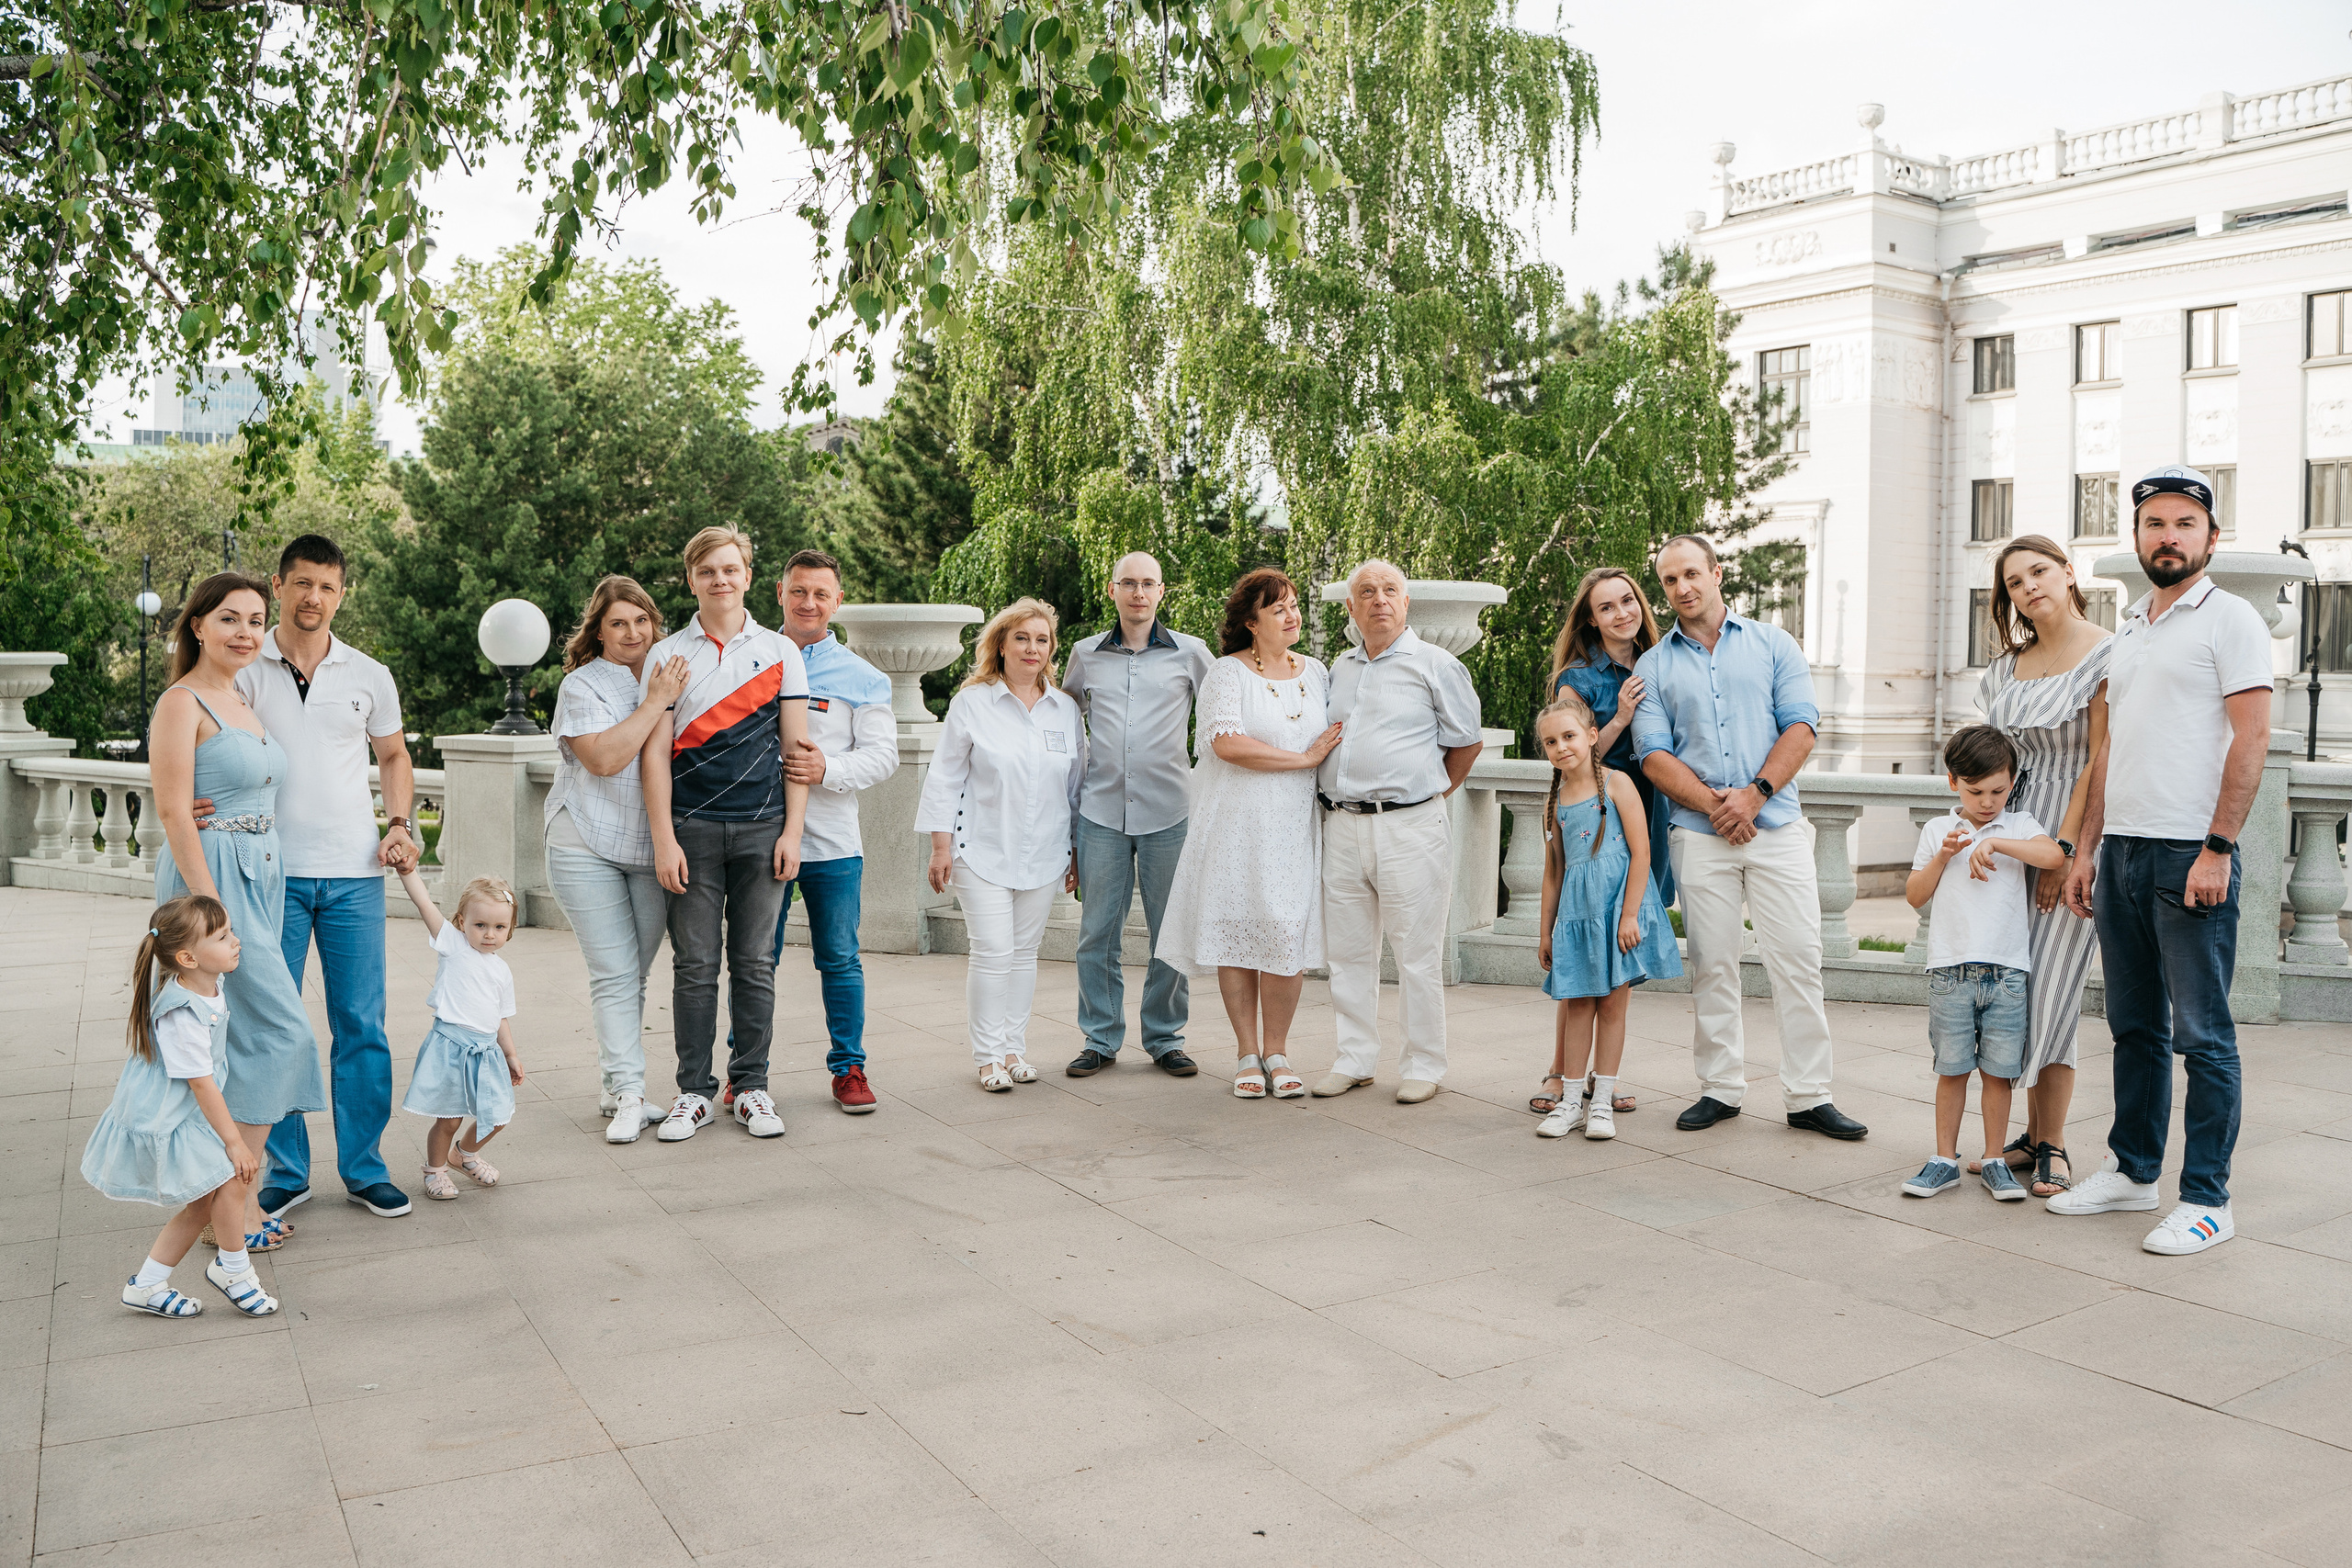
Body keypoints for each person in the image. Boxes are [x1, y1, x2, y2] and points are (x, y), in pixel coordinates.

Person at [2053, 465, 2271, 1256]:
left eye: (2185, 523)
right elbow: (2112, 746)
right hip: (2124, 853)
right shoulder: (2134, 627)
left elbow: (2251, 738)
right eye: (2155, 523)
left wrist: (2217, 847)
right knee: (2134, 1024)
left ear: (2211, 538)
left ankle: (2208, 1198)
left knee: (2204, 1036)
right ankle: (2134, 1170)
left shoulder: (2232, 620)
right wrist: (2087, 846)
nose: (2168, 535)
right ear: (2137, 536)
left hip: (2191, 850)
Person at [1632, 535, 1867, 1141]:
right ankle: (1720, 1087)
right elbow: (1654, 755)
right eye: (1668, 580)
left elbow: (1802, 726)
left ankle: (1810, 1095)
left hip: (1778, 828)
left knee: (1798, 961)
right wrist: (1719, 806)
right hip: (1699, 832)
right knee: (1712, 964)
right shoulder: (1654, 664)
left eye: (1691, 574)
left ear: (1715, 573)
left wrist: (1753, 795)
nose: (1681, 587)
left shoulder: (1773, 644)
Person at [230, 536, 418, 1223]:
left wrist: (398, 821)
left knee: (360, 1024)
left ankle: (364, 1167)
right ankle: (285, 1168)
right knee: (272, 1024)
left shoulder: (369, 673)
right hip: (266, 874)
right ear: (278, 585)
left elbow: (394, 755)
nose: (314, 597)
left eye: (327, 586)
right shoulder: (244, 669)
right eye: (301, 583)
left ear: (342, 594)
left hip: (354, 873)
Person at [148, 573, 327, 1249]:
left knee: (245, 1034)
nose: (246, 631)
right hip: (213, 881)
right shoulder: (180, 701)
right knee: (283, 1032)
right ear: (198, 625)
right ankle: (238, 1203)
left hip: (259, 873)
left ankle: (232, 1202)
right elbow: (172, 809)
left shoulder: (242, 697)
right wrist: (209, 910)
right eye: (229, 618)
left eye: (256, 619)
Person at [641, 527, 811, 1144]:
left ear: (747, 574)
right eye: (708, 570)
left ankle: (752, 1085)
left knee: (755, 964)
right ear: (691, 578)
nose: (720, 579)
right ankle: (693, 1092)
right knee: (695, 965)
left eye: (730, 568)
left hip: (764, 829)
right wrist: (664, 839)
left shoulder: (779, 650)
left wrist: (793, 830)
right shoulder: (667, 655)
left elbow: (795, 749)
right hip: (692, 831)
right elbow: (654, 756)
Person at [1156, 568, 1340, 1100]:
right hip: (1236, 823)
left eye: (1294, 604)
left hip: (1292, 826)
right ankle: (1246, 1052)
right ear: (1251, 622)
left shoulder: (1319, 672)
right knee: (1239, 935)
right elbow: (1226, 744)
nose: (1292, 615)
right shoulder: (1226, 674)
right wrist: (1303, 757)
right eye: (1278, 608)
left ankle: (1278, 1050)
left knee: (1286, 934)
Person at [1312, 560, 1484, 1104]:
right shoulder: (1336, 669)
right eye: (1366, 592)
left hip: (1409, 826)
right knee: (1348, 952)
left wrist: (1425, 797)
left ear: (1405, 603)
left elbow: (1466, 743)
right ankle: (1354, 1058)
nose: (1379, 600)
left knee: (1416, 952)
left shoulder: (1436, 664)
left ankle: (1423, 1065)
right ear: (1351, 608)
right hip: (1341, 824)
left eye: (1390, 591)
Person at [1972, 536, 2111, 1195]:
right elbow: (1990, 761)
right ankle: (2026, 1136)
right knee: (2013, 986)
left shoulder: (2108, 652)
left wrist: (2069, 851)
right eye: (2015, 582)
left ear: (2068, 573)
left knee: (2054, 986)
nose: (2030, 586)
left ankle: (2053, 1141)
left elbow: (2099, 757)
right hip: (2009, 837)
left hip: (2072, 836)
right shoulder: (2005, 669)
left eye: (2039, 571)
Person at [917, 598, 1085, 1091]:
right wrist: (940, 847)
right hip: (981, 849)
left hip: (1046, 852)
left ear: (1051, 649)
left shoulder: (1065, 708)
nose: (1032, 648)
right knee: (992, 950)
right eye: (1022, 638)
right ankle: (988, 1057)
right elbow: (945, 777)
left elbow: (1076, 784)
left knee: (1024, 953)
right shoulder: (973, 702)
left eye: (1042, 640)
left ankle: (1014, 1049)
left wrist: (1076, 851)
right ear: (1001, 644)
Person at [545, 577, 690, 1144]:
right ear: (598, 633)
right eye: (617, 623)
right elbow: (603, 759)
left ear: (654, 624)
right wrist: (655, 702)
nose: (632, 633)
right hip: (583, 842)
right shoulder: (582, 686)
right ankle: (631, 1093)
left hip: (649, 845)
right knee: (614, 973)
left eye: (640, 621)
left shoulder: (675, 674)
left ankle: (613, 1084)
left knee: (634, 974)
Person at [82, 895, 275, 1318]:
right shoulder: (182, 1012)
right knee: (231, 1177)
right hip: (170, 1116)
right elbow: (201, 1084)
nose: (236, 942)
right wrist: (236, 1143)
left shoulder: (205, 982)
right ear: (188, 957)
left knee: (207, 1199)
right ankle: (235, 1271)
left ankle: (148, 1285)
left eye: (230, 932)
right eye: (223, 937)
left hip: (185, 1110)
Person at [1061, 552, 1216, 1079]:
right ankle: (1100, 1039)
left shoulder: (1192, 654)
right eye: (1129, 583)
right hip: (1100, 812)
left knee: (1170, 932)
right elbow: (1061, 722)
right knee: (1095, 932)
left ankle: (1165, 1037)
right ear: (1113, 590)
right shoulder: (1085, 655)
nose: (1139, 593)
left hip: (1170, 811)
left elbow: (1222, 716)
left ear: (1162, 592)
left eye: (1148, 584)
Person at [761, 548, 900, 1113]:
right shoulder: (750, 660)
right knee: (754, 961)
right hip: (756, 839)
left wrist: (829, 769)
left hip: (832, 845)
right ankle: (747, 1073)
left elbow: (883, 756)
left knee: (839, 958)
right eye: (799, 591)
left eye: (821, 593)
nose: (809, 603)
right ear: (780, 594)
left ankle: (850, 1069)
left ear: (838, 601)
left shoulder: (862, 677)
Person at [1898, 727, 2063, 1201]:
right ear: (1953, 782)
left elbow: (2052, 855)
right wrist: (1946, 856)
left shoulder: (2018, 824)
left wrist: (1996, 843)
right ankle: (1943, 1160)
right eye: (1975, 792)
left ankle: (1994, 1159)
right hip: (1951, 973)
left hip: (2008, 974)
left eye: (1998, 790)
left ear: (2012, 783)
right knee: (1951, 1070)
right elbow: (1914, 896)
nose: (1987, 802)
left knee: (1998, 1072)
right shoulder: (1936, 831)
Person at [1544, 566, 1674, 1118]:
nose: (1622, 613)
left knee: (1618, 941)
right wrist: (1620, 715)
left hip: (1646, 807)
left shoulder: (1657, 660)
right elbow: (1579, 748)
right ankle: (1561, 1075)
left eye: (1629, 601)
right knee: (1581, 945)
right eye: (1607, 607)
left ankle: (1604, 1076)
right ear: (1591, 619)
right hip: (1593, 811)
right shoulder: (1578, 678)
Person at [1532, 692, 1682, 1142]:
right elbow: (1554, 871)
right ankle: (1571, 1101)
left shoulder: (1617, 784)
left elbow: (1642, 853)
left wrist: (1630, 915)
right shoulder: (1555, 800)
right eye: (1551, 742)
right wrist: (1545, 932)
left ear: (1593, 736)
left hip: (1618, 909)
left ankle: (1602, 1103)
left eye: (1570, 736)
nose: (1562, 747)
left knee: (1613, 1006)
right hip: (1578, 918)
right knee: (1578, 1005)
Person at [399, 871, 525, 1201]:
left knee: (498, 1115)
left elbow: (500, 1016)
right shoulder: (453, 946)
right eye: (479, 925)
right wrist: (408, 872)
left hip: (487, 1051)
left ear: (510, 929)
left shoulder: (501, 971)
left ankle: (464, 1154)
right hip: (451, 1047)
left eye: (499, 927)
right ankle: (436, 1169)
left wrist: (510, 1054)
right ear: (461, 922)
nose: (488, 935)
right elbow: (423, 902)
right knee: (449, 1119)